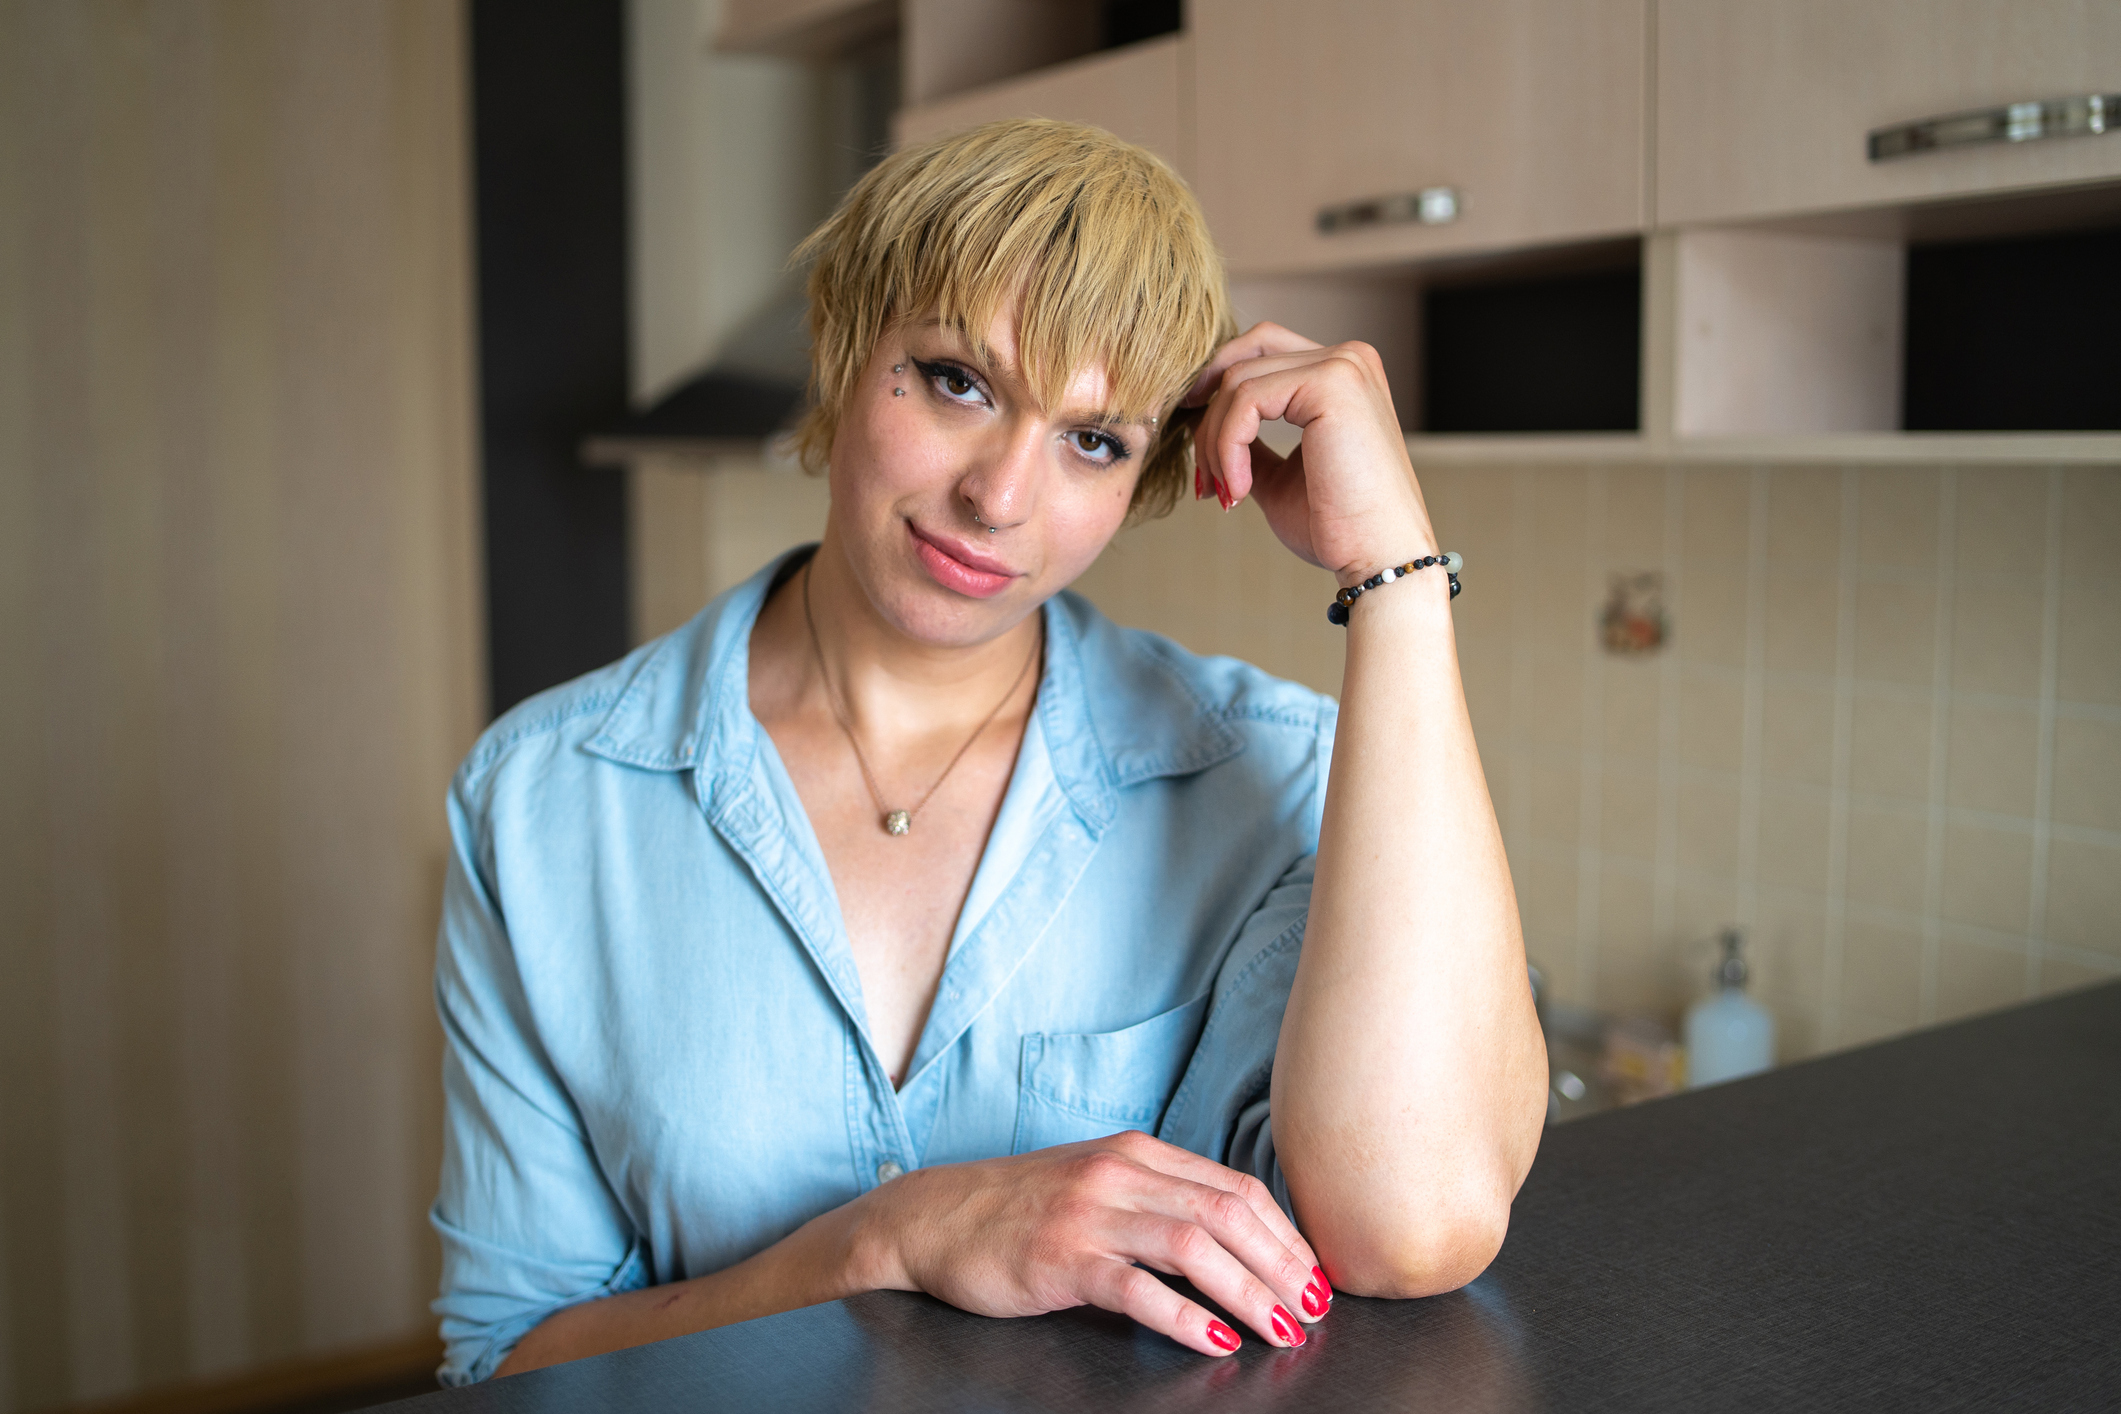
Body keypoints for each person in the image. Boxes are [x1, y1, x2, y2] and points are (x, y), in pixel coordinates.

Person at [430, 118, 1547, 1385]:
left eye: (1094, 439)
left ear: (1149, 477)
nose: (1000, 497)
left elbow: (1417, 1224)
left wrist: (1395, 581)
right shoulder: (540, 803)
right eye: (960, 380)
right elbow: (511, 1361)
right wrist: (887, 1240)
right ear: (845, 352)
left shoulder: (1267, 782)